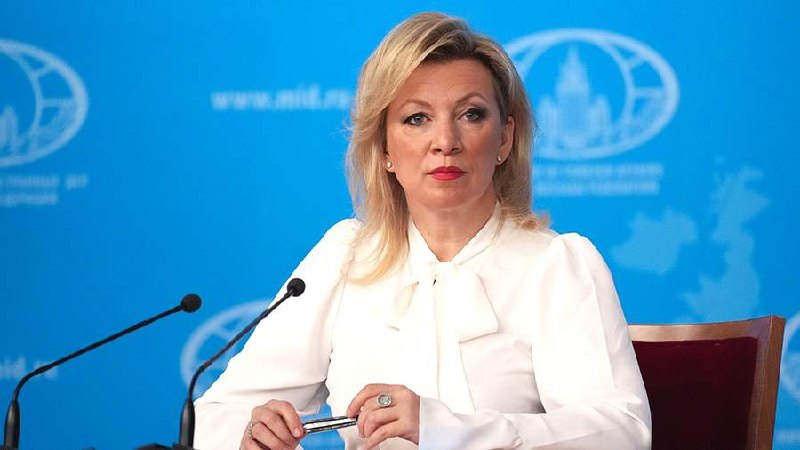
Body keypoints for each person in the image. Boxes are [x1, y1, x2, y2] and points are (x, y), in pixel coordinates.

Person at [194, 11, 651, 450]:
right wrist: (252, 435)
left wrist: (447, 429)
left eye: (471, 114)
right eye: (417, 119)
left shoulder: (557, 266)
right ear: (384, 149)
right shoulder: (344, 257)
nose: (445, 142)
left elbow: (621, 432)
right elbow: (216, 415)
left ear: (505, 139)